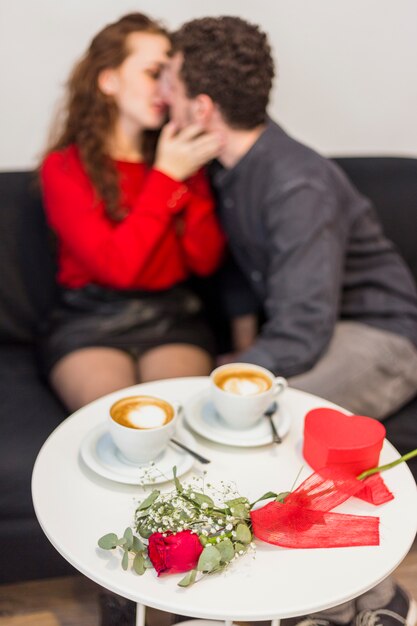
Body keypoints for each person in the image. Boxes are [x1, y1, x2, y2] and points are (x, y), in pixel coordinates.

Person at [160, 15, 417, 626]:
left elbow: (301, 331)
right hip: (324, 328)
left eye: (167, 79)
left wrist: (225, 382)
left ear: (200, 107)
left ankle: (372, 603)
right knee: (225, 426)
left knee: (263, 438)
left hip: (381, 337)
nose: (158, 91)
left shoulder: (293, 182)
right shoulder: (229, 167)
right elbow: (241, 280)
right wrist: (236, 357)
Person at [39, 13, 225, 412]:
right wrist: (166, 178)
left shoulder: (179, 156)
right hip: (91, 318)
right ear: (108, 81)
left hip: (172, 314)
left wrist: (185, 176)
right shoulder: (64, 168)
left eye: (171, 76)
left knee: (179, 418)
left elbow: (205, 260)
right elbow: (117, 268)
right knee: (112, 422)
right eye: (153, 73)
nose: (165, 88)